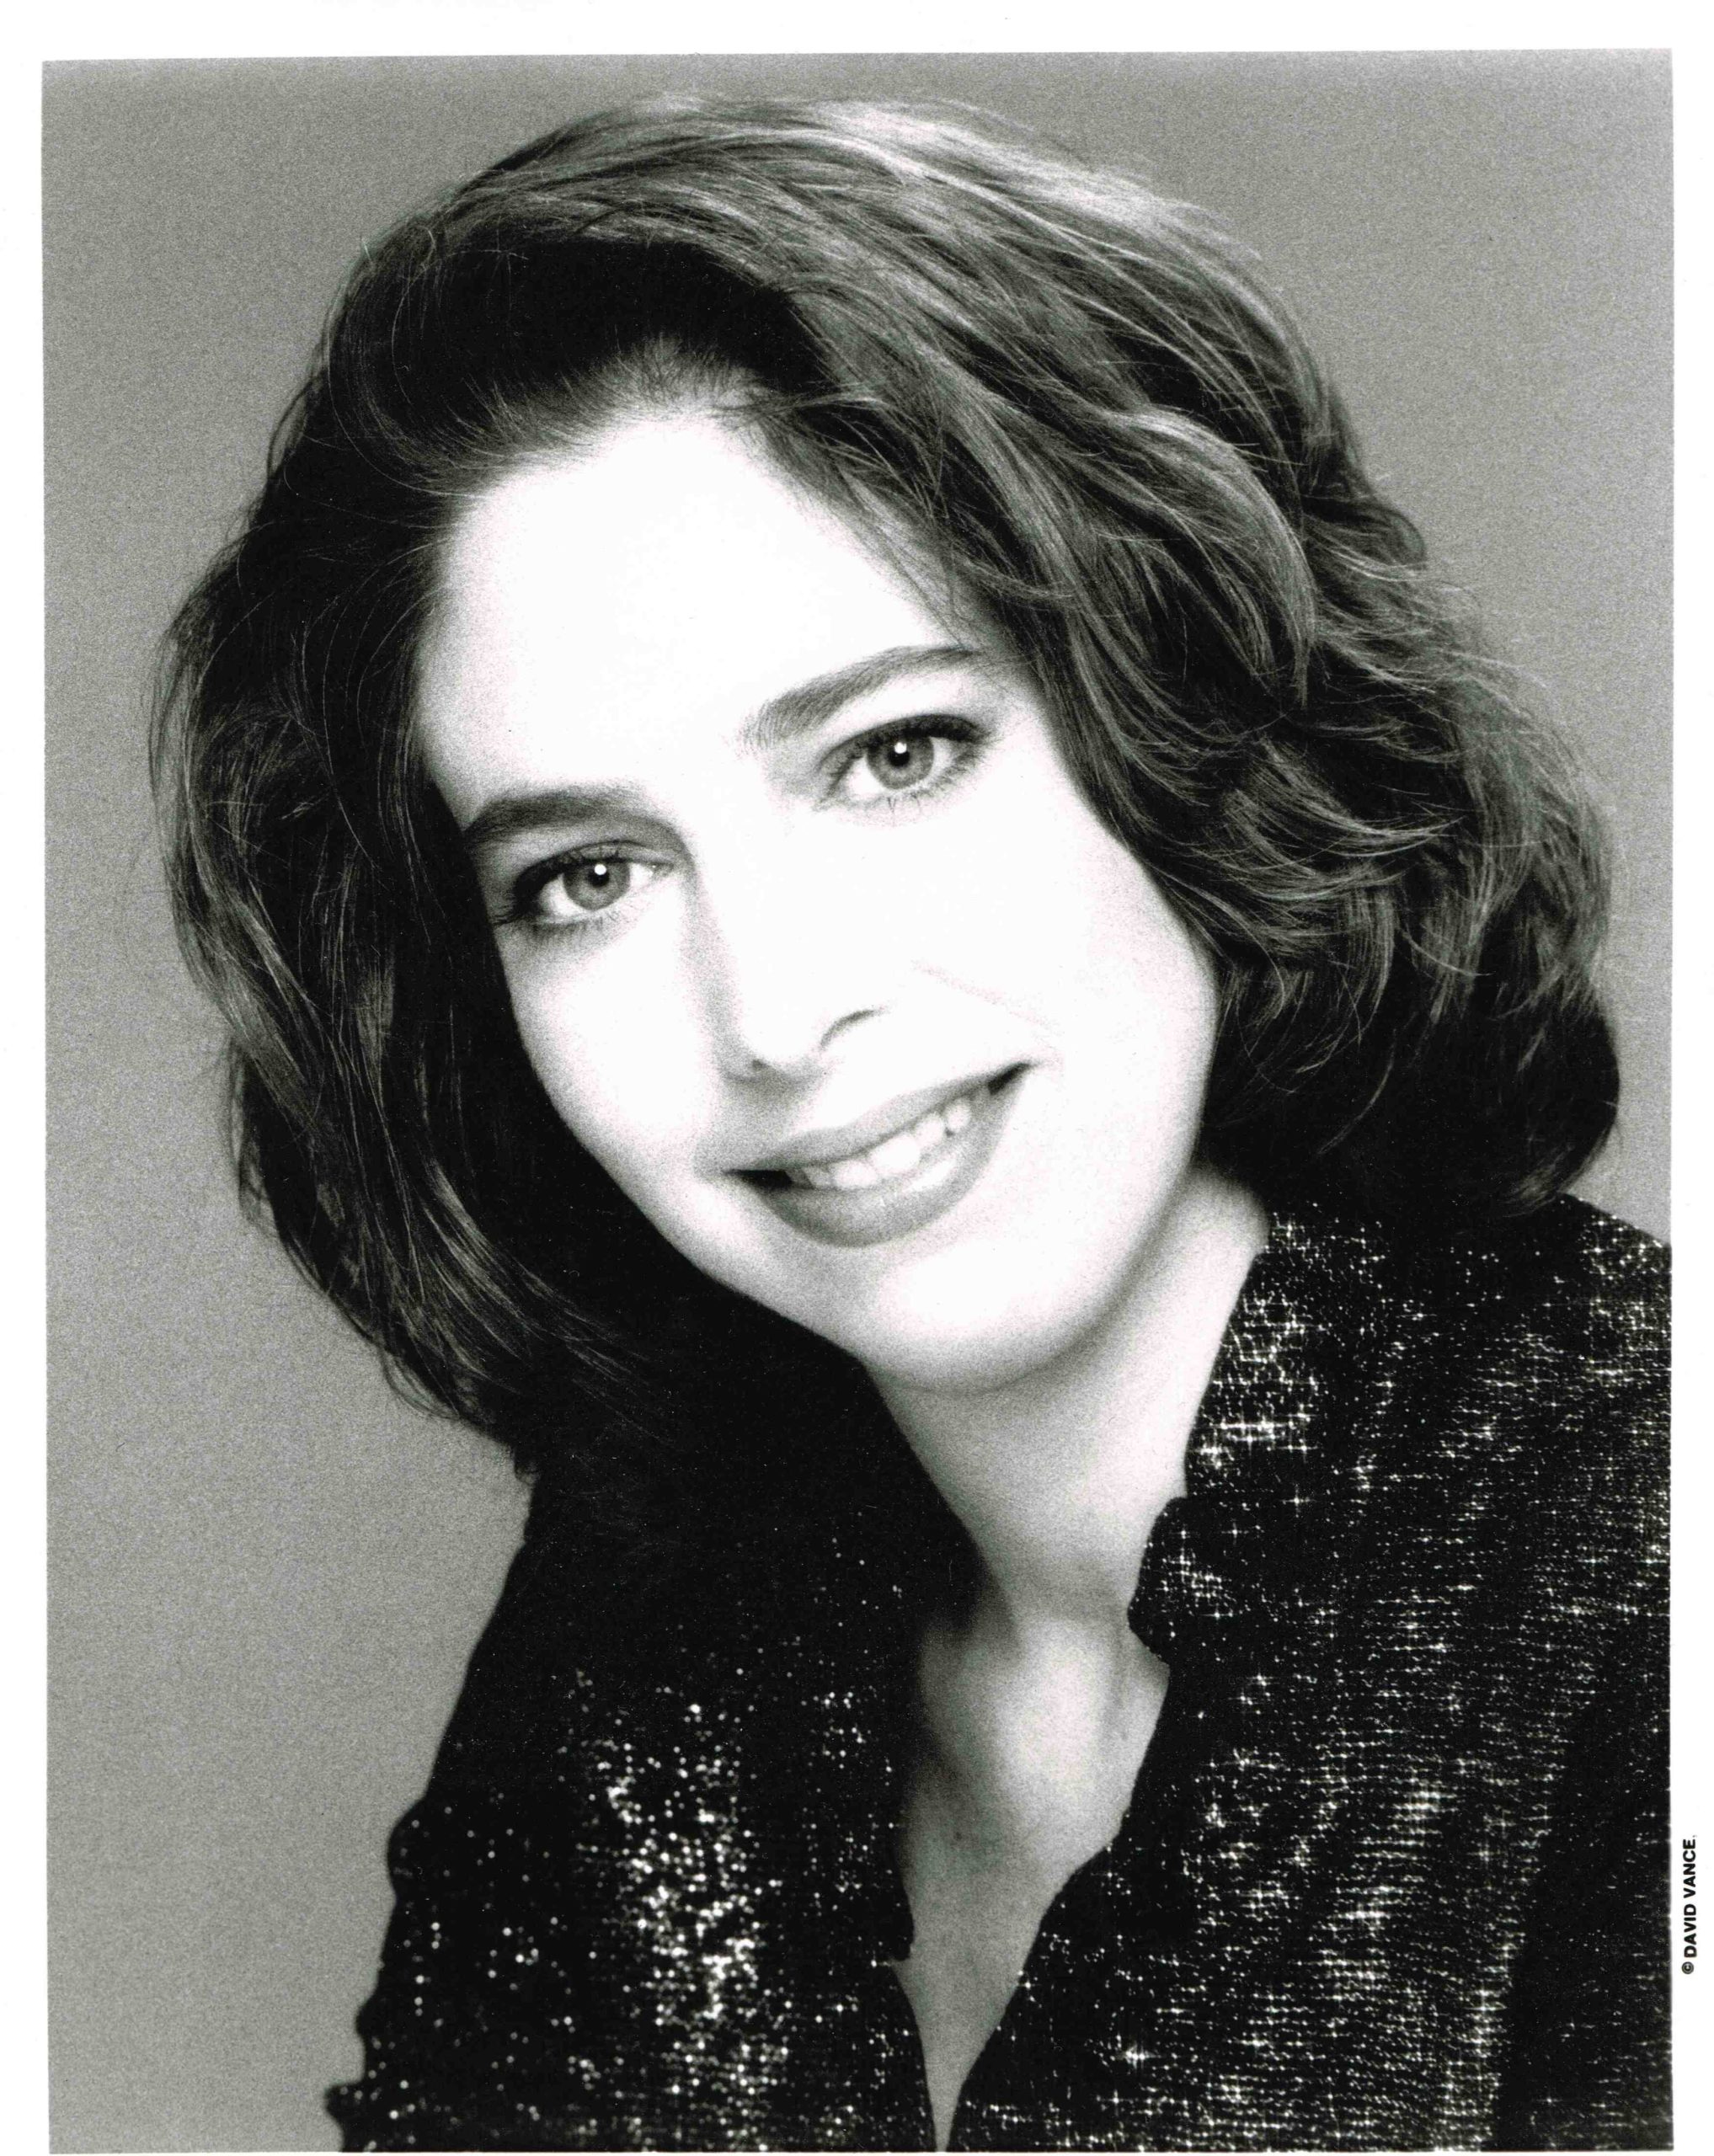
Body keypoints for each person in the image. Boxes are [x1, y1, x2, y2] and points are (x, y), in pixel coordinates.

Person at [152, 98, 1668, 2152]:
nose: (774, 1013)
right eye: (588, 875)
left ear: (1196, 709)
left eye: (894, 752)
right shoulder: (662, 1625)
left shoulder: (1645, 1559)